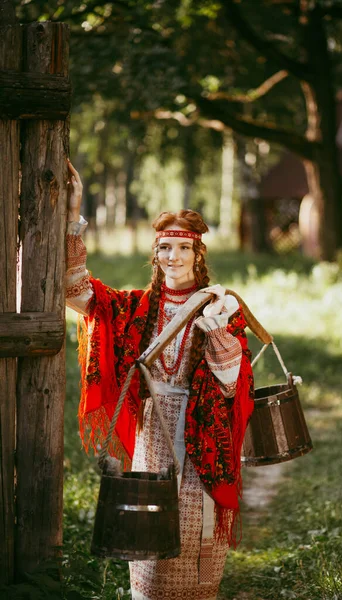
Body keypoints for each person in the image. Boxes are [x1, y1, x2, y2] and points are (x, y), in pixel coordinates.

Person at [65, 159, 254, 600]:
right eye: (165, 248)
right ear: (156, 255)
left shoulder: (220, 306)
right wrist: (74, 213)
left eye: (183, 249)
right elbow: (74, 291)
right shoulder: (135, 307)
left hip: (202, 435)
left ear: (197, 255)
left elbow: (231, 384)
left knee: (193, 535)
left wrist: (219, 336)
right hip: (153, 434)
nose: (173, 257)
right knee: (150, 538)